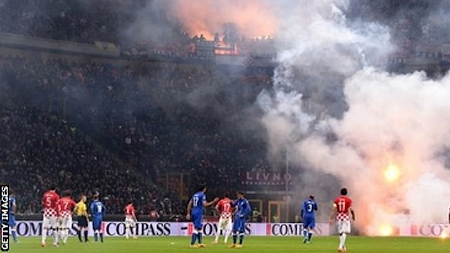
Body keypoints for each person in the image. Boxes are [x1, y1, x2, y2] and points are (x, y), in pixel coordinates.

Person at [329, 188, 355, 252]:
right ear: (346, 193)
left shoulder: (337, 200)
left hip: (339, 217)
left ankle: (343, 247)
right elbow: (351, 209)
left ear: (340, 192)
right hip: (345, 216)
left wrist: (331, 218)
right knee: (344, 232)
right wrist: (353, 215)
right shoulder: (348, 200)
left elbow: (333, 209)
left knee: (341, 232)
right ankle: (340, 246)